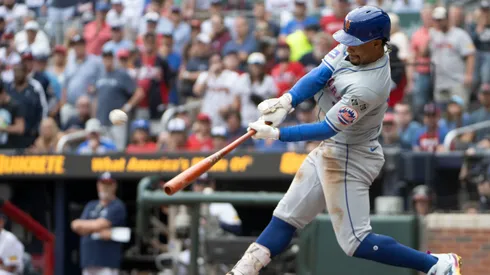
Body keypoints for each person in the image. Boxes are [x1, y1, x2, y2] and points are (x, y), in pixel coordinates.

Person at [227, 6, 461, 275]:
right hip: (333, 149)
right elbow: (319, 75)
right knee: (285, 218)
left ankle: (437, 265)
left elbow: (327, 128)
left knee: (356, 242)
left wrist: (278, 134)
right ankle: (242, 271)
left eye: (355, 44)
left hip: (352, 155)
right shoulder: (356, 48)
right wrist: (287, 101)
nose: (348, 48)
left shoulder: (370, 85)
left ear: (376, 43)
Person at [71, 172, 127, 275]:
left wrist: (87, 226)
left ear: (114, 186)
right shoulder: (91, 205)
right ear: (98, 186)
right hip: (88, 261)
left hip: (107, 262)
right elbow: (75, 225)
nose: (105, 188)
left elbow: (100, 224)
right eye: (103, 184)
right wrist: (93, 227)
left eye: (108, 185)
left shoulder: (117, 206)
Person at [429, 6, 475, 108]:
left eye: (440, 20)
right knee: (441, 115)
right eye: (436, 20)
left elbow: (470, 55)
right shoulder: (434, 34)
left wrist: (468, 75)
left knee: (459, 112)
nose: (438, 22)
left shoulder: (460, 34)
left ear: (447, 19)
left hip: (457, 81)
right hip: (440, 82)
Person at [234, 52, 278, 127]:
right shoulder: (243, 79)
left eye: (258, 66)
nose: (256, 68)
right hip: (246, 119)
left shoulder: (268, 80)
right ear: (249, 66)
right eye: (253, 66)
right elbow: (237, 100)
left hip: (263, 120)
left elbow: (274, 100)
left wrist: (262, 102)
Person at [0, 82, 24, 149]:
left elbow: (20, 128)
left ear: (3, 93)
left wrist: (3, 128)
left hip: (11, 149)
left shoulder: (15, 105)